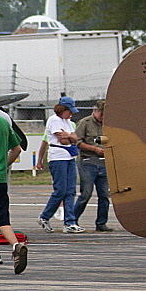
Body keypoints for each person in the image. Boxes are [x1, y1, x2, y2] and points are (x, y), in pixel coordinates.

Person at [0, 87, 28, 274]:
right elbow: (17, 148)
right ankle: (16, 245)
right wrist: (3, 165)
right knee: (2, 219)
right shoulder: (3, 123)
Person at [37, 96, 82, 234]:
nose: (71, 114)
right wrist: (70, 137)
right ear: (62, 109)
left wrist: (69, 136)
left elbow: (75, 137)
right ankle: (44, 216)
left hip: (70, 157)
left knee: (71, 190)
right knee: (61, 190)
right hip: (58, 158)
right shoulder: (54, 120)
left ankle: (70, 222)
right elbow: (62, 140)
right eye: (69, 111)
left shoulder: (67, 122)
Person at [74, 100, 112, 232]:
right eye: (101, 114)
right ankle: (72, 220)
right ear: (95, 111)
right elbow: (77, 142)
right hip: (88, 161)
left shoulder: (109, 124)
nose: (103, 117)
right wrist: (94, 149)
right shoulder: (84, 123)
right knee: (86, 193)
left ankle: (101, 223)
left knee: (104, 195)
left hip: (104, 162)